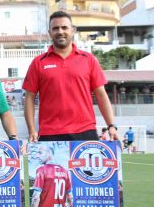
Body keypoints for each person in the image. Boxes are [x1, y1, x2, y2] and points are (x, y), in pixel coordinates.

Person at [23, 11, 116, 142]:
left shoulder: (89, 59)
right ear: (49, 32)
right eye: (55, 28)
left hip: (85, 132)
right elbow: (29, 98)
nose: (60, 31)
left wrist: (111, 125)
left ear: (73, 30)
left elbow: (101, 95)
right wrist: (32, 129)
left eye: (64, 27)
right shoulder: (38, 62)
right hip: (50, 134)